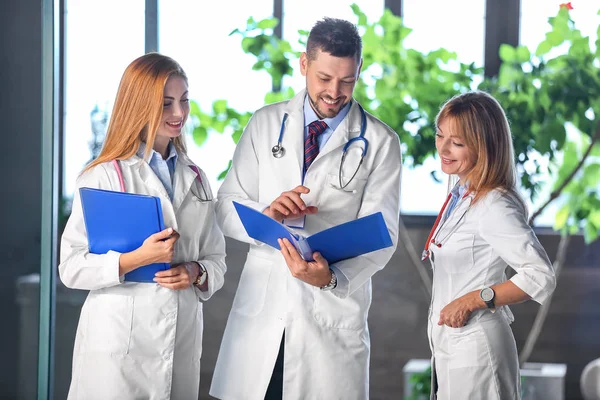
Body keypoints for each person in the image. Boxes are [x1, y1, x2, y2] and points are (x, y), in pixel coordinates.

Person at [209, 17, 402, 400]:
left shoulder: (380, 142)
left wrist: (329, 279)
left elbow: (383, 236)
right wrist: (267, 213)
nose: (335, 92)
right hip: (264, 312)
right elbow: (225, 206)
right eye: (325, 78)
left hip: (328, 310)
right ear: (304, 65)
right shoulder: (265, 124)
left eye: (347, 80)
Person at [59, 53, 227, 400]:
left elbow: (217, 260)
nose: (179, 114)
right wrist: (134, 258)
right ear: (139, 105)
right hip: (118, 348)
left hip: (179, 340)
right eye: (166, 104)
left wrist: (197, 271)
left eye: (184, 101)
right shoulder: (103, 176)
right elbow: (71, 268)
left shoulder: (197, 178)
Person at [424, 91, 557, 399]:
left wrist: (473, 299)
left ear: (484, 147)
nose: (443, 149)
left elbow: (540, 276)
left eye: (457, 143)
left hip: (478, 351)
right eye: (440, 135)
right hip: (454, 349)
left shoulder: (495, 204)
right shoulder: (462, 193)